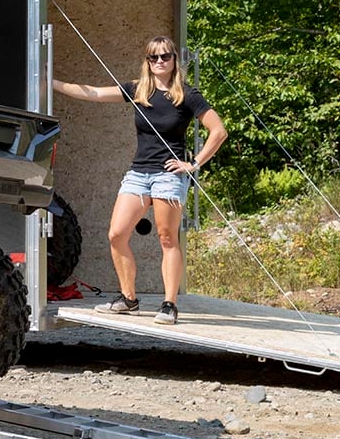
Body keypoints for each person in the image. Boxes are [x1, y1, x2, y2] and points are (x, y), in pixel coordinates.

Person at [52, 36, 227, 325]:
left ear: (174, 60)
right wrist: (51, 83)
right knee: (117, 234)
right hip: (138, 174)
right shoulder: (138, 89)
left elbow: (218, 131)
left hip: (168, 176)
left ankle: (169, 305)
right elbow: (93, 94)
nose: (160, 62)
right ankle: (128, 299)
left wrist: (193, 164)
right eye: (154, 57)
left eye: (165, 56)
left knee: (167, 238)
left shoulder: (187, 94)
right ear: (147, 61)